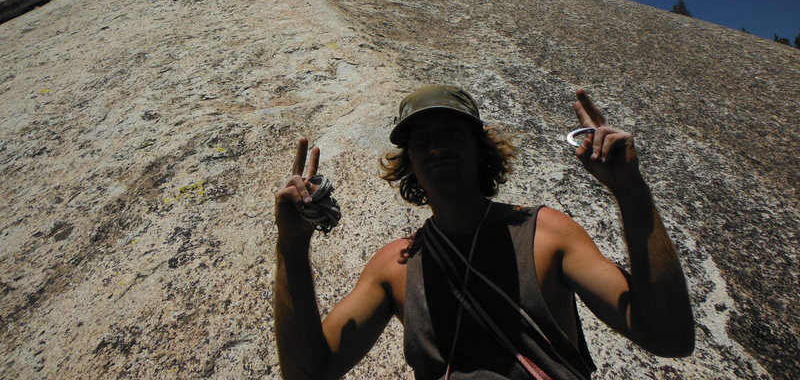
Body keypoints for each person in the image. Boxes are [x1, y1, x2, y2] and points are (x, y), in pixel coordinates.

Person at [274, 85, 694, 379]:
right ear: (410, 162)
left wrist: (630, 190)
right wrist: (292, 245)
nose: (435, 147)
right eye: (420, 141)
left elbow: (669, 336)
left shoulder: (547, 234)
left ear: (480, 149)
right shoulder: (395, 266)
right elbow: (308, 373)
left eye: (451, 134)